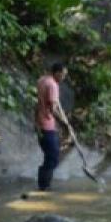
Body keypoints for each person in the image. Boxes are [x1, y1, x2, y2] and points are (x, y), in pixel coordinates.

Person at [35, 62, 74, 191]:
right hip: (47, 125)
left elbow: (38, 103)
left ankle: (44, 185)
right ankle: (44, 186)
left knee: (49, 155)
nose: (63, 78)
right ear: (57, 73)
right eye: (63, 75)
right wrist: (65, 125)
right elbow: (53, 108)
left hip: (40, 124)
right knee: (53, 157)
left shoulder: (42, 80)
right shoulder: (52, 85)